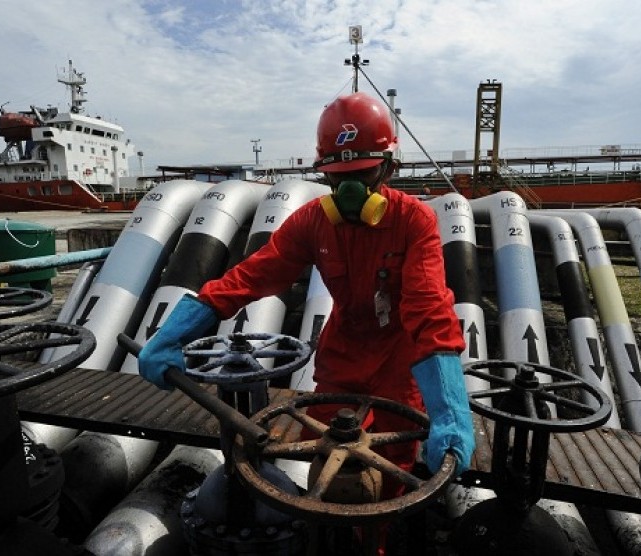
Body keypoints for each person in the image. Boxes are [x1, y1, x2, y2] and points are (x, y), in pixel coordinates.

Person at [138, 91, 475, 490]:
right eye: (338, 175)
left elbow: (429, 309)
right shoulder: (313, 222)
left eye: (363, 174)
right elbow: (251, 275)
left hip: (399, 359)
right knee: (320, 446)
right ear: (323, 172)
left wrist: (451, 414)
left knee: (393, 462)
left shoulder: (414, 221)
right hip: (342, 353)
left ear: (387, 169)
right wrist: (178, 329)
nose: (350, 189)